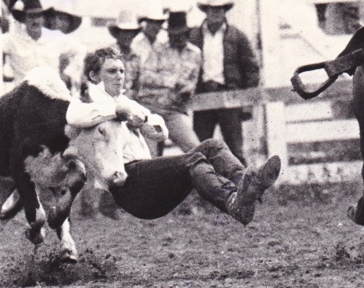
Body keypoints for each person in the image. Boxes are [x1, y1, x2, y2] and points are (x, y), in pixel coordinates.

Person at [66, 47, 282, 225]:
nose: (120, 76)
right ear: (94, 76)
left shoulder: (126, 102)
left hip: (147, 183)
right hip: (127, 183)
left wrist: (144, 121)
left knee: (213, 146)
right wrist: (117, 113)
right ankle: (232, 202)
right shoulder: (87, 100)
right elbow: (73, 116)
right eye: (112, 71)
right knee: (193, 160)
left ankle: (247, 187)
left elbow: (161, 131)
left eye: (122, 71)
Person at [188, 0, 260, 164]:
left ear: (224, 11)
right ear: (205, 10)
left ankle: (241, 180)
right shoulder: (194, 36)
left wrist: (247, 103)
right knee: (200, 149)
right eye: (211, 8)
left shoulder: (237, 36)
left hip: (229, 97)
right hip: (203, 96)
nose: (215, 12)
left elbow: (251, 69)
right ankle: (203, 181)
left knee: (235, 149)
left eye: (219, 9)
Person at [135, 10, 202, 157]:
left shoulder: (195, 53)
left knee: (196, 150)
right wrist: (171, 82)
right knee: (149, 156)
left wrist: (186, 90)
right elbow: (145, 76)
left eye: (180, 34)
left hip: (173, 111)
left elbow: (192, 82)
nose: (176, 37)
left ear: (187, 33)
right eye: (173, 34)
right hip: (151, 108)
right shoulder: (158, 49)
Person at [2, 0, 80, 85]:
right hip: (25, 91)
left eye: (38, 16)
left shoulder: (55, 38)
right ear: (23, 19)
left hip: (52, 90)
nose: (35, 21)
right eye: (31, 16)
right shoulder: (12, 40)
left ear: (43, 19)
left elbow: (80, 50)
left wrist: (68, 73)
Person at [107, 9, 142, 99]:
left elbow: (136, 84)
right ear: (117, 33)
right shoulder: (108, 55)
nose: (127, 36)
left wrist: (133, 94)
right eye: (124, 32)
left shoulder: (136, 56)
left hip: (129, 99)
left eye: (130, 32)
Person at [132, 0, 168, 65]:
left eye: (158, 22)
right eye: (152, 22)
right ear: (144, 23)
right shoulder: (135, 45)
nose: (155, 26)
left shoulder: (163, 46)